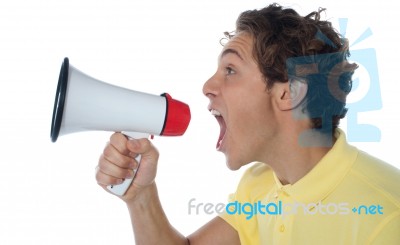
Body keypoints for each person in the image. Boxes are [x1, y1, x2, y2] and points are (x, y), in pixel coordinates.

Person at [95, 3, 400, 244]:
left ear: (288, 93)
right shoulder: (258, 186)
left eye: (230, 69)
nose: (207, 86)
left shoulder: (387, 218)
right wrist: (140, 197)